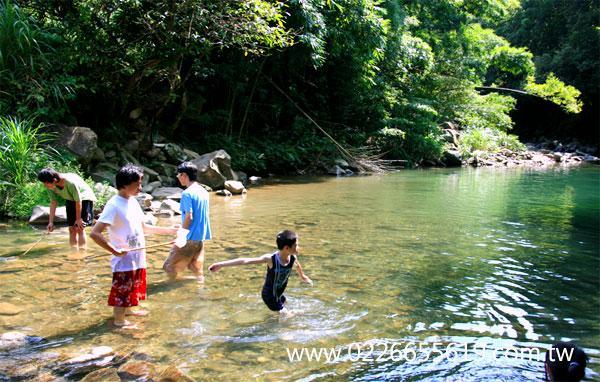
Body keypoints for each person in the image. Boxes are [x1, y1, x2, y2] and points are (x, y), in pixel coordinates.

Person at [90, 164, 177, 328]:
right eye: (137, 184)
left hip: (137, 257)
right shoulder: (114, 205)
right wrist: (114, 250)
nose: (140, 187)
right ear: (124, 184)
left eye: (140, 183)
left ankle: (128, 311)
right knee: (122, 291)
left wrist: (170, 231)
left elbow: (144, 228)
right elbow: (95, 233)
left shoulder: (133, 202)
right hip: (123, 260)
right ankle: (119, 321)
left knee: (132, 287)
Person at [208, 230, 312, 315]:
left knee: (285, 304)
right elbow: (245, 261)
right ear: (286, 248)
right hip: (269, 296)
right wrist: (221, 264)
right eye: (296, 245)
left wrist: (302, 276)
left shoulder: (292, 257)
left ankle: (275, 316)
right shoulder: (271, 260)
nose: (298, 247)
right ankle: (282, 333)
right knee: (288, 315)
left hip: (278, 293)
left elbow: (297, 265)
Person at [163, 162, 211, 282]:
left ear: (184, 175)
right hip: (200, 238)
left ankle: (173, 289)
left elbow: (189, 216)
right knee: (195, 267)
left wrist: (181, 236)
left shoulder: (187, 193)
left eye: (178, 175)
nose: (178, 178)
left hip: (189, 238)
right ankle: (200, 288)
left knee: (169, 266)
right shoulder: (203, 192)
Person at [37, 168, 97, 250]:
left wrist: (79, 219)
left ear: (54, 180)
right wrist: (50, 222)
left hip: (84, 197)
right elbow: (53, 202)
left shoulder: (70, 183)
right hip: (70, 198)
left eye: (46, 183)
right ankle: (74, 252)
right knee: (71, 229)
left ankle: (83, 253)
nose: (45, 185)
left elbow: (78, 201)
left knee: (79, 228)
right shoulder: (50, 186)